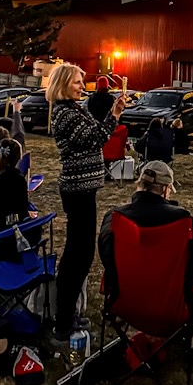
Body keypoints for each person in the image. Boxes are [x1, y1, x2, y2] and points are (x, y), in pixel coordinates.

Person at [98, 160, 193, 341]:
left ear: (139, 184)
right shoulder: (178, 219)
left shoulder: (115, 218)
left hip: (125, 304)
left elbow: (107, 257)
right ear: (166, 189)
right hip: (172, 308)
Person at [49, 62, 125, 345]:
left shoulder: (75, 109)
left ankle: (69, 314)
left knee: (82, 254)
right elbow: (96, 138)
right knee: (76, 255)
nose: (83, 86)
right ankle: (63, 322)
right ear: (63, 84)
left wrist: (111, 115)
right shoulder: (66, 113)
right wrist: (115, 114)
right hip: (77, 190)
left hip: (85, 188)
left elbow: (96, 134)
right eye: (78, 82)